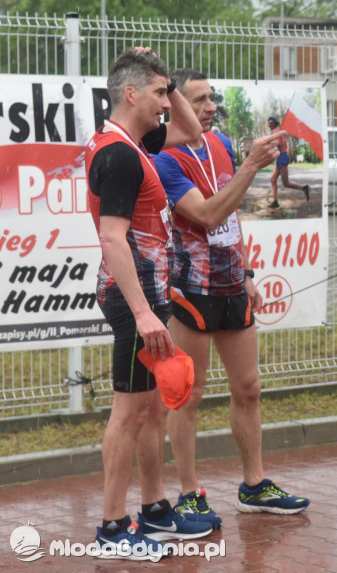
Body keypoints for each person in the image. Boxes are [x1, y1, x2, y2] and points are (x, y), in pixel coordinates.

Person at [153, 69, 311, 522]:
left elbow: (233, 219)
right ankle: (188, 492)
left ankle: (255, 485)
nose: (208, 107)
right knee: (189, 393)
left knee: (248, 387)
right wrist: (250, 168)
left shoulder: (219, 143)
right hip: (192, 290)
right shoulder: (165, 158)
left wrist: (245, 273)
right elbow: (205, 214)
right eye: (198, 100)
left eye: (211, 98)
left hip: (230, 284)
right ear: (176, 106)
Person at [85, 48, 211, 560]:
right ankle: (113, 525)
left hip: (150, 295)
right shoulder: (117, 154)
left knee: (154, 407)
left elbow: (193, 134)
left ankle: (155, 508)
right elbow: (113, 238)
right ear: (130, 94)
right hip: (132, 297)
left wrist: (168, 81)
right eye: (158, 92)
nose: (168, 103)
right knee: (129, 413)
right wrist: (141, 312)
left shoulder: (136, 144)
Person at [266, 115, 308, 209]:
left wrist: (269, 143)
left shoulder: (276, 131)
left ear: (273, 122)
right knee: (273, 179)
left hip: (282, 157)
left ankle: (304, 188)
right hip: (280, 157)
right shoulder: (277, 130)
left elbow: (279, 143)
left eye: (270, 120)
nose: (268, 122)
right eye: (268, 121)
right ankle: (275, 201)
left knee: (286, 183)